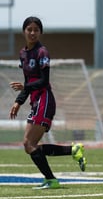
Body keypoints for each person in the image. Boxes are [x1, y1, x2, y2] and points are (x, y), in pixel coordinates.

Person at [9, 16, 87, 189]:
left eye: (36, 30)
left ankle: (51, 180)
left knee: (29, 144)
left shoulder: (42, 52)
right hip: (36, 101)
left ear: (40, 32)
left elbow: (44, 81)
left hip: (44, 100)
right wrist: (18, 101)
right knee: (30, 145)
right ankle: (72, 150)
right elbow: (28, 80)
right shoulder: (23, 54)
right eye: (29, 29)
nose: (32, 32)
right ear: (24, 31)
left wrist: (24, 88)